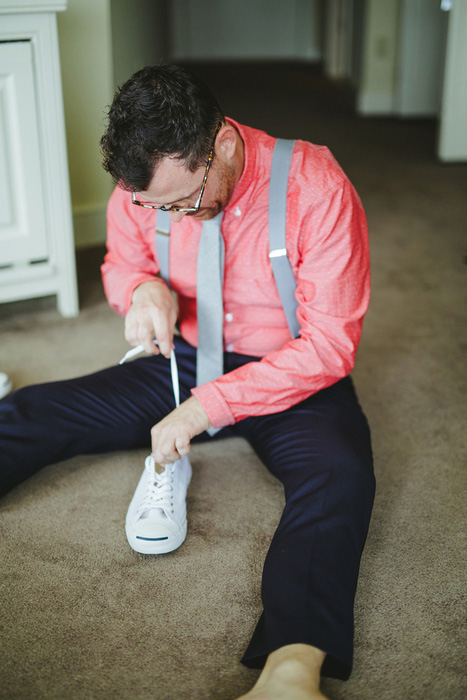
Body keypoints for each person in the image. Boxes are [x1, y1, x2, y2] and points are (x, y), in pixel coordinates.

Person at [0, 65, 375, 700]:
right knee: (36, 410)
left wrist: (208, 407)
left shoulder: (317, 185)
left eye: (182, 202)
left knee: (341, 477)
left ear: (223, 144)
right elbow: (124, 262)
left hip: (291, 371)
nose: (171, 215)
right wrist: (141, 289)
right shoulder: (142, 186)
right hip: (185, 353)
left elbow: (332, 345)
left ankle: (291, 669)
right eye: (153, 205)